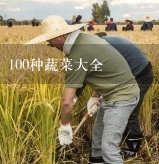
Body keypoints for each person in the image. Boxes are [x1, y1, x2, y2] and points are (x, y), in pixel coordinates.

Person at [25, 15, 140, 163]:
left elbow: (66, 101)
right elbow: (105, 71)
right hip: (111, 95)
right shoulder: (87, 40)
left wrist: (64, 126)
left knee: (109, 149)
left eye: (50, 39)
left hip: (122, 98)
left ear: (61, 36)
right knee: (97, 142)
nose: (49, 44)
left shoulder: (78, 54)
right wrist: (95, 96)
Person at [76, 34, 153, 159]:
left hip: (140, 73)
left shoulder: (99, 48)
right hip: (135, 70)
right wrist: (95, 96)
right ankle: (109, 147)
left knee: (129, 110)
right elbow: (105, 76)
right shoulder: (101, 45)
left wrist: (72, 98)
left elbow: (103, 74)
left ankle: (133, 148)